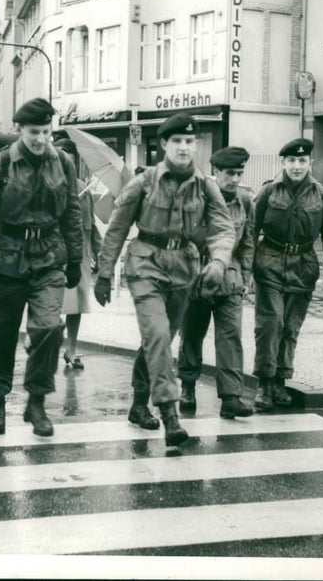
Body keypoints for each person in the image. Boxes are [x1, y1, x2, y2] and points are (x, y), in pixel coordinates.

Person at [94, 113, 235, 447]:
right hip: (145, 265)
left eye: (189, 141)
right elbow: (117, 228)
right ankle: (169, 415)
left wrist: (218, 262)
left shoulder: (206, 186)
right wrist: (104, 272)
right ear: (163, 145)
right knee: (157, 334)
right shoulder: (143, 182)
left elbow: (222, 227)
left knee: (159, 339)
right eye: (177, 141)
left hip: (183, 269)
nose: (184, 147)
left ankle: (138, 402)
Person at [0, 98, 83, 437]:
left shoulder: (64, 163)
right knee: (0, 334)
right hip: (4, 260)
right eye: (33, 132)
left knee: (48, 329)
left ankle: (36, 401)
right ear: (20, 130)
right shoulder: (0, 165)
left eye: (45, 132)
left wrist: (75, 258)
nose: (40, 139)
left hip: (48, 259)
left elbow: (72, 210)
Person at [251, 138, 323, 412]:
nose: (296, 166)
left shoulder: (321, 195)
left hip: (303, 268)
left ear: (309, 163)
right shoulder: (269, 191)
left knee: (290, 328)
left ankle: (280, 380)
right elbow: (250, 230)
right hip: (269, 264)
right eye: (291, 161)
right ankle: (264, 383)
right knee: (271, 324)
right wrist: (244, 271)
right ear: (283, 163)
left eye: (302, 161)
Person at [177, 146, 255, 418]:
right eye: (230, 173)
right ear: (216, 172)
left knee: (230, 339)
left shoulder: (245, 201)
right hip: (197, 279)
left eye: (239, 173)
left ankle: (231, 397)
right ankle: (187, 387)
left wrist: (245, 277)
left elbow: (247, 243)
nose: (235, 179)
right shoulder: (196, 198)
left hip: (230, 281)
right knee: (191, 336)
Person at [54, 137, 102, 369]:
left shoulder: (84, 188)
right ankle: (49, 343)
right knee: (52, 302)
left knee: (76, 304)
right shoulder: (48, 186)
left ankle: (71, 349)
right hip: (54, 252)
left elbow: (91, 224)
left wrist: (99, 254)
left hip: (80, 254)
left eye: (70, 161)